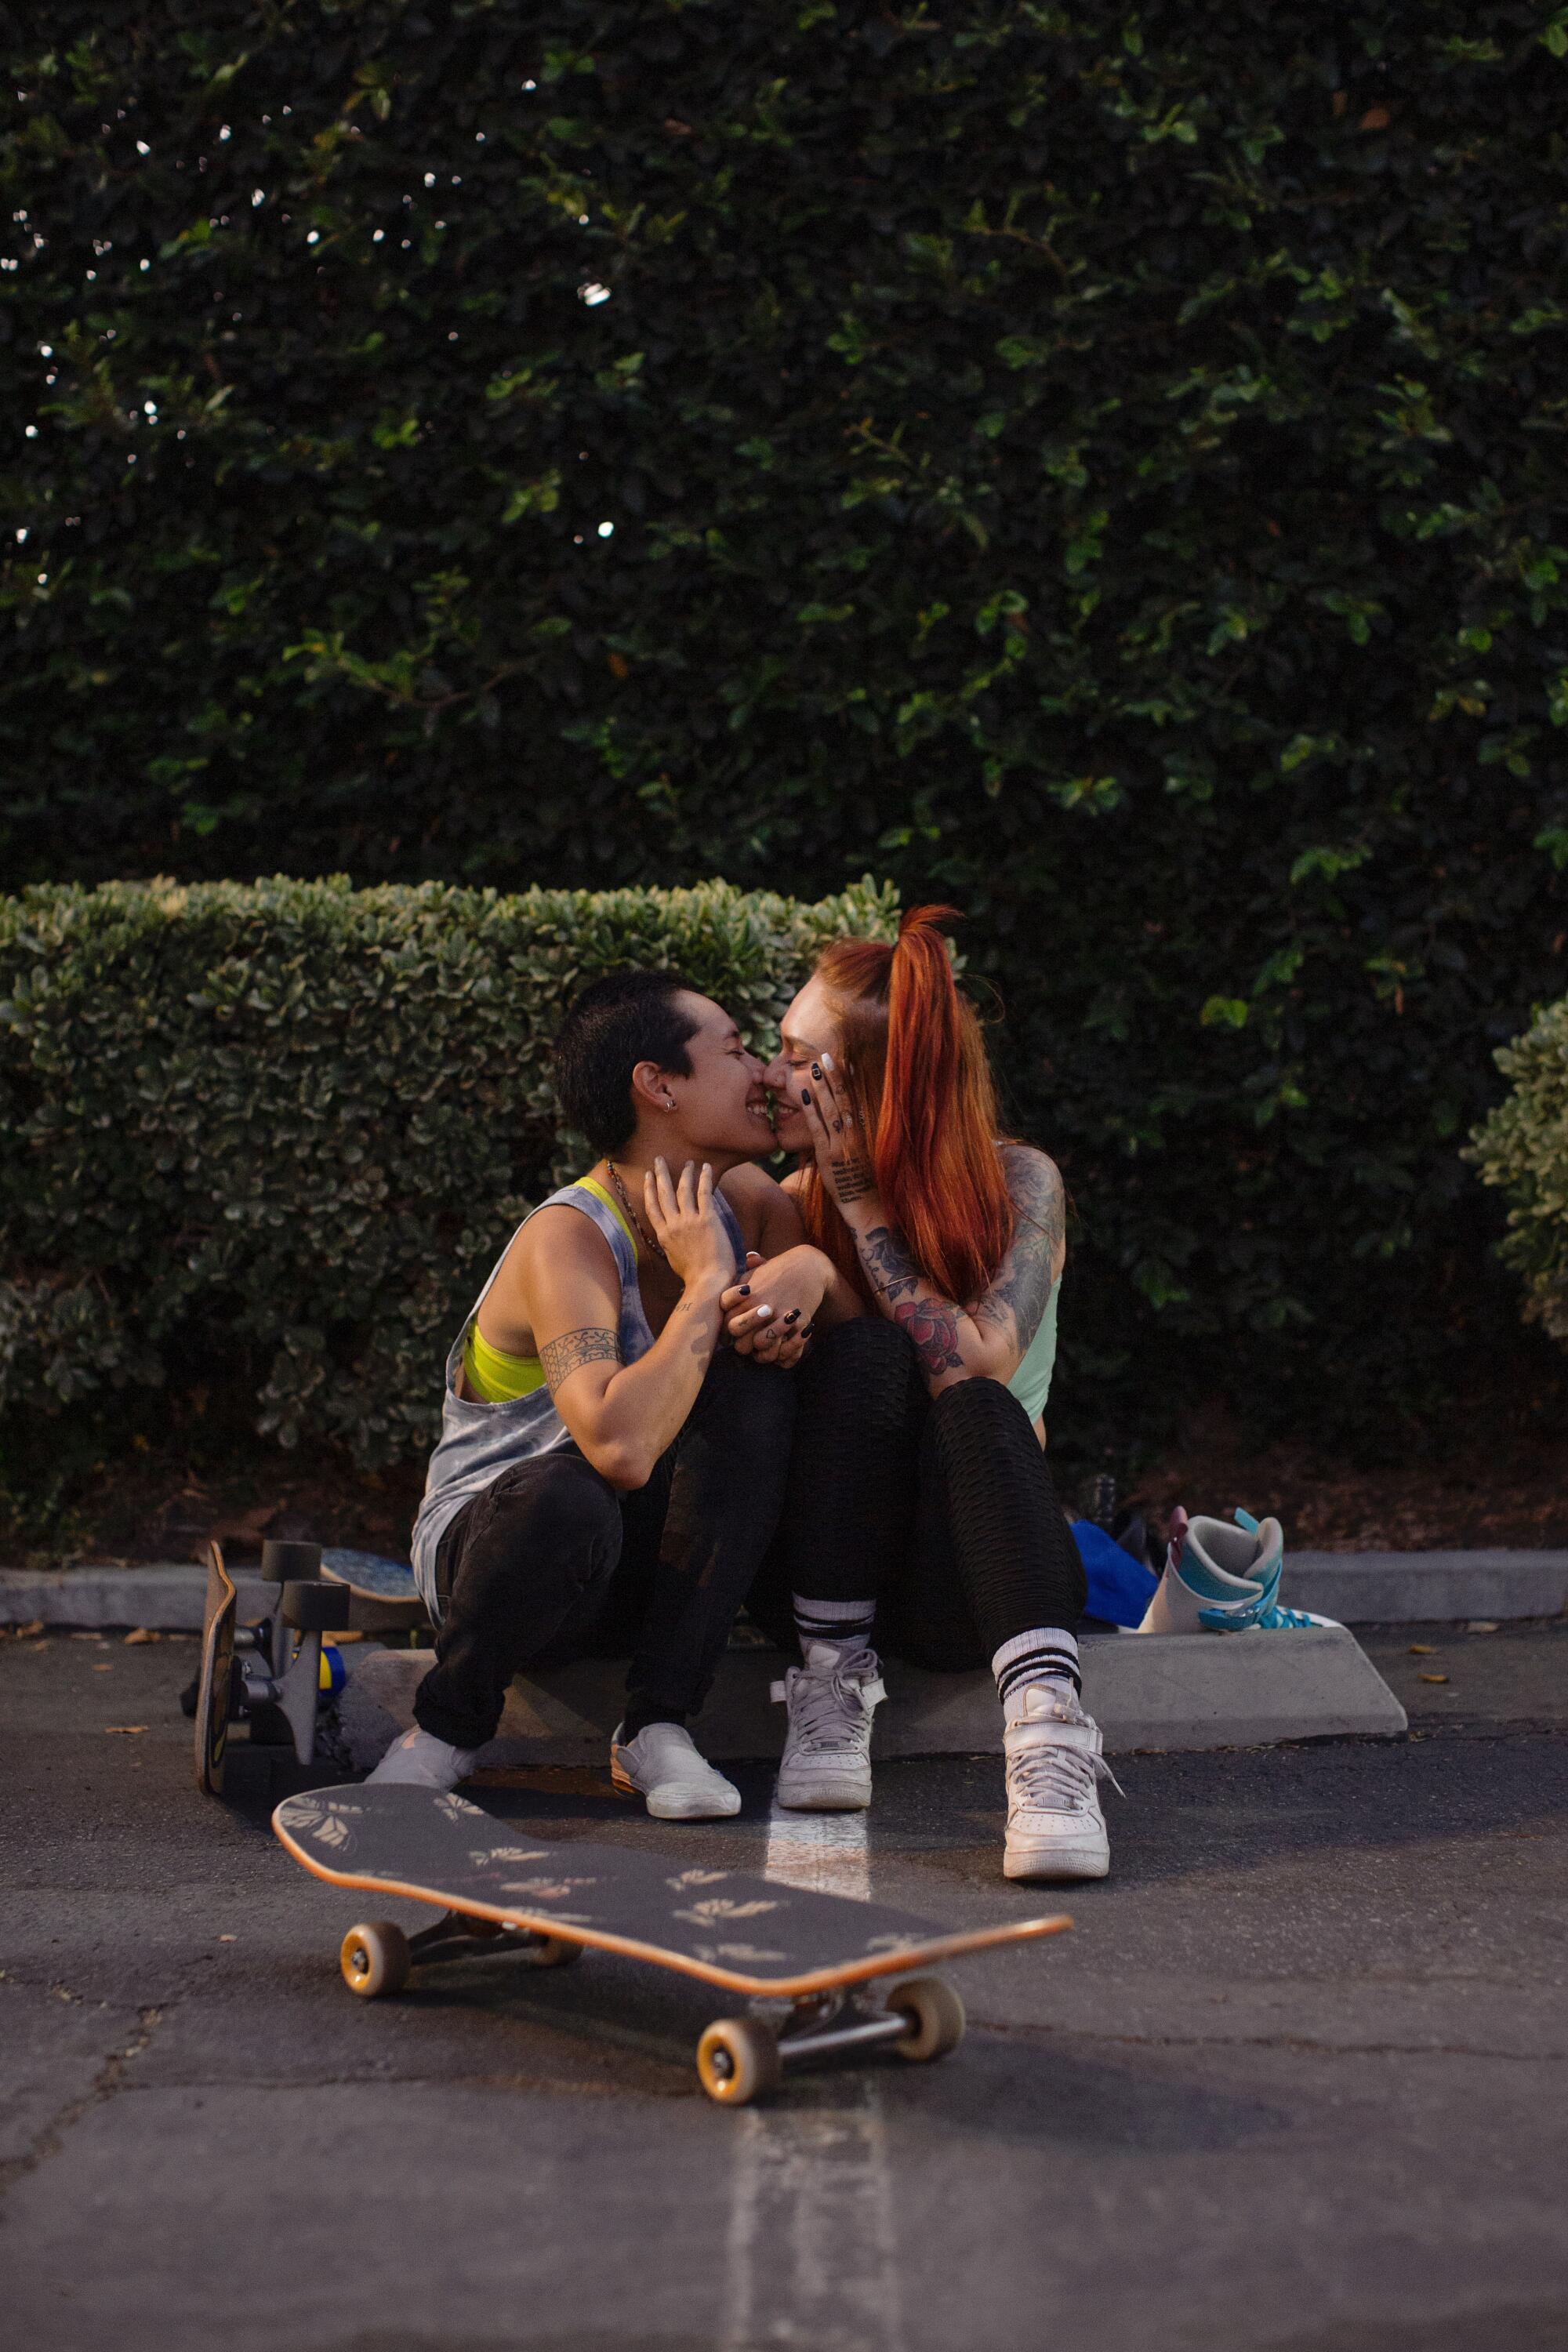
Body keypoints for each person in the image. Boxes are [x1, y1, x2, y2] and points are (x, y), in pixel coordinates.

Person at [724, 906, 1115, 1882]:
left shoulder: (1020, 1186)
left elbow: (972, 1361)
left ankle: (1047, 1741)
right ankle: (827, 1692)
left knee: (974, 1399)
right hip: (818, 1580)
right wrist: (811, 1259)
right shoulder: (782, 1196)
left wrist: (859, 1217)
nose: (773, 1076)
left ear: (866, 1085)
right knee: (866, 1362)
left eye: (795, 1054)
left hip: (968, 1587)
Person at [370, 969, 810, 1817]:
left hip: (640, 1574)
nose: (760, 1071)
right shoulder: (566, 1237)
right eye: (733, 1050)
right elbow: (616, 1447)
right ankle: (445, 1733)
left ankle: (657, 1730)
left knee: (759, 1386)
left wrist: (811, 1270)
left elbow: (834, 1353)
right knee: (568, 1494)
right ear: (658, 1085)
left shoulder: (750, 1203)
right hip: (503, 1566)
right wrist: (709, 1280)